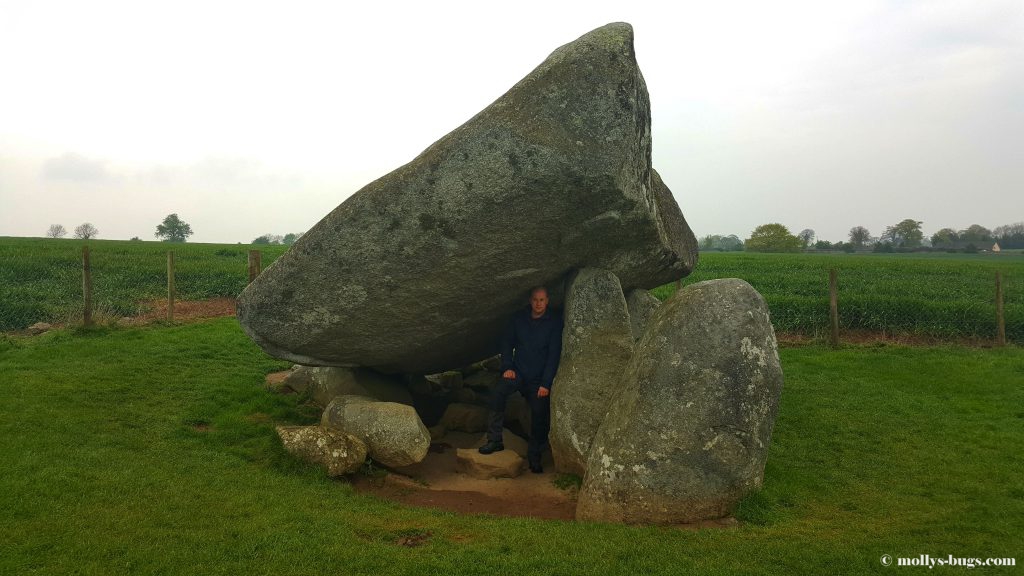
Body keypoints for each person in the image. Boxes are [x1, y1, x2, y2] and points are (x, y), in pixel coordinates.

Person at [478, 285, 563, 473]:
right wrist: (507, 367)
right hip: (518, 372)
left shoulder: (554, 322)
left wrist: (546, 384)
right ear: (529, 300)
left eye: (541, 300)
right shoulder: (518, 318)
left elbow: (553, 355)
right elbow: (507, 343)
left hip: (539, 379)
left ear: (547, 300)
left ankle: (535, 456)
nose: (538, 303)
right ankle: (494, 440)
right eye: (535, 299)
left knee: (539, 413)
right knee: (498, 393)